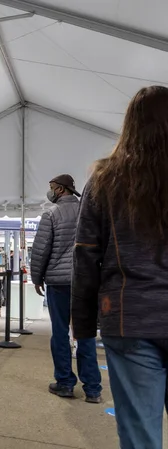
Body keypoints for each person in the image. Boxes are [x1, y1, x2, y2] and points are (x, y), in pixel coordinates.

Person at [72, 86, 168, 448]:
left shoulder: (106, 179)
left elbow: (85, 255)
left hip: (129, 317)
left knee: (140, 434)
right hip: (133, 318)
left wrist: (81, 325)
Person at [31, 174, 102, 403]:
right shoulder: (88, 211)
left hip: (59, 282)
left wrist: (36, 277)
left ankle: (65, 383)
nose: (50, 192)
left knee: (60, 332)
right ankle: (93, 389)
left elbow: (41, 249)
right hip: (85, 281)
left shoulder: (51, 214)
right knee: (86, 333)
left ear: (61, 190)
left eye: (52, 187)